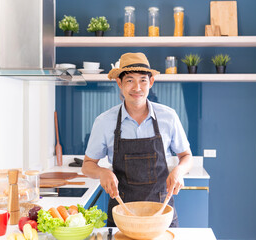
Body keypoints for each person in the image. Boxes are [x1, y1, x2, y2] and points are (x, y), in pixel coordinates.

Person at [82, 52, 193, 227]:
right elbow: (87, 165)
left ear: (151, 82)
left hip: (161, 213)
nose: (137, 88)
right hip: (122, 214)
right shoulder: (104, 122)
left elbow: (186, 156)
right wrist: (103, 172)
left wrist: (179, 171)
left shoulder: (169, 117)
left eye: (142, 80)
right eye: (129, 80)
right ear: (119, 83)